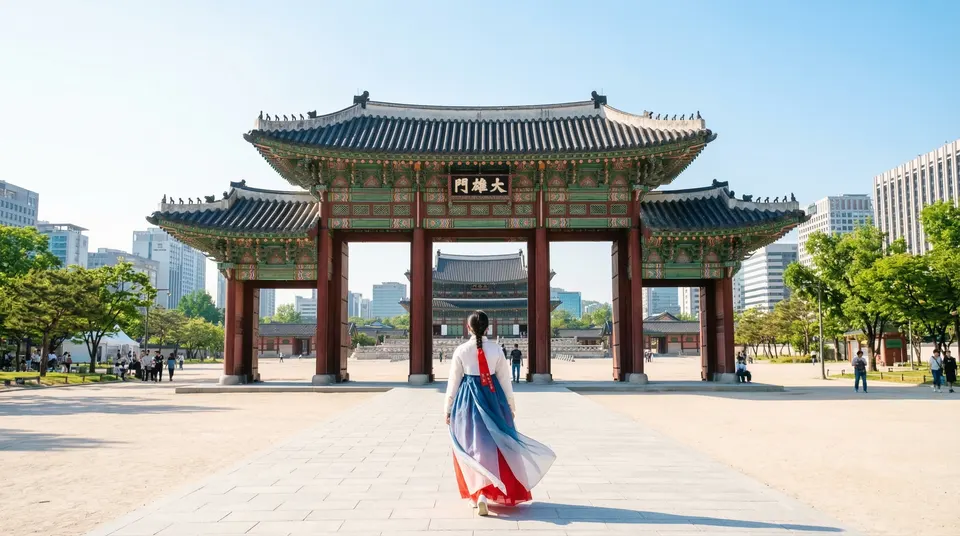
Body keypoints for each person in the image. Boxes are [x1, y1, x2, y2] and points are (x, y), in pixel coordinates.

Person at [444, 310, 555, 516]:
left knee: (471, 446)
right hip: (494, 399)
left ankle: (479, 494)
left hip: (468, 400)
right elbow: (505, 381)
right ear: (488, 328)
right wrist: (511, 406)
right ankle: (490, 491)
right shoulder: (496, 350)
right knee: (496, 445)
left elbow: (454, 382)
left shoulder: (461, 350)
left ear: (468, 328)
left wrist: (448, 408)